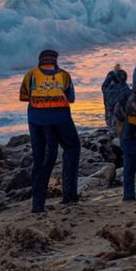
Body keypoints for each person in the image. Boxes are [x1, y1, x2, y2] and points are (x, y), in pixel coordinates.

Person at [19, 49, 80, 213]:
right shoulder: (64, 75)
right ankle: (70, 196)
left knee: (42, 160)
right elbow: (71, 98)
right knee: (72, 148)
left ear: (40, 61)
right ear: (55, 61)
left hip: (36, 120)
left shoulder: (31, 75)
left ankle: (37, 205)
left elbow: (24, 96)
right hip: (61, 119)